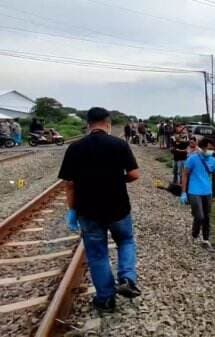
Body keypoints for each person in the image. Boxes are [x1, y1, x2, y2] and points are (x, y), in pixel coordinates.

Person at [58, 107, 141, 313]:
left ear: (88, 124)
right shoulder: (119, 144)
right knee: (126, 241)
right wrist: (117, 179)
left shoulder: (75, 148)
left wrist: (72, 211)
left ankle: (105, 299)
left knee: (97, 254)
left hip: (88, 211)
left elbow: (69, 184)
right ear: (108, 123)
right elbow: (134, 174)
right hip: (119, 208)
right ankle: (127, 279)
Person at [180, 138, 215, 247]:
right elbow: (185, 174)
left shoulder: (213, 160)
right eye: (209, 148)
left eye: (212, 149)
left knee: (207, 216)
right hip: (194, 192)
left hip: (207, 192)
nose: (211, 151)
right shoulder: (192, 159)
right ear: (202, 147)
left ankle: (205, 239)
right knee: (199, 216)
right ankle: (194, 235)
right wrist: (184, 192)